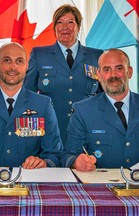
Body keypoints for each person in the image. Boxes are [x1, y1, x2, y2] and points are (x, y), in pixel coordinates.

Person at [61, 49, 139, 171]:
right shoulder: (82, 110)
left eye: (119, 68)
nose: (113, 75)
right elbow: (68, 155)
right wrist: (76, 162)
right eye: (107, 69)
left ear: (129, 72)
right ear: (98, 75)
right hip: (101, 186)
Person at [24, 4, 103, 144]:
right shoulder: (39, 54)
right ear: (54, 28)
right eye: (60, 22)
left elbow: (105, 97)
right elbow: (27, 95)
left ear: (78, 27)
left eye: (70, 22)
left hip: (87, 132)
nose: (64, 27)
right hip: (49, 132)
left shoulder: (96, 56)